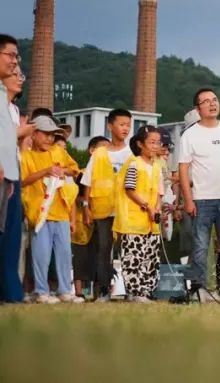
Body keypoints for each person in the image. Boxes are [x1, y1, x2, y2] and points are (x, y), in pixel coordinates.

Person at [178, 87, 220, 302]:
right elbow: (183, 169)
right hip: (202, 199)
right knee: (199, 247)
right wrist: (188, 200)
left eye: (215, 99)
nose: (212, 104)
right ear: (198, 108)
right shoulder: (190, 135)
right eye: (206, 101)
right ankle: (201, 289)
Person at [20, 116, 81, 303]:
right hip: (39, 214)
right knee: (41, 254)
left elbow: (74, 169)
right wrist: (45, 171)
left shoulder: (58, 152)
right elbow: (23, 180)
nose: (49, 139)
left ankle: (65, 290)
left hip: (61, 210)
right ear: (34, 134)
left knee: (63, 253)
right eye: (45, 134)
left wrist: (63, 171)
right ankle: (41, 291)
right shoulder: (27, 156)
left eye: (52, 135)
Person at [82, 108, 134, 301]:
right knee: (104, 250)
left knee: (128, 250)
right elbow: (87, 180)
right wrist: (86, 207)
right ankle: (103, 290)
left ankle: (132, 290)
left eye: (128, 125)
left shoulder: (132, 153)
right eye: (122, 124)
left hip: (126, 210)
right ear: (110, 126)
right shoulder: (99, 153)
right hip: (103, 210)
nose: (126, 128)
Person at [114, 126, 164, 303]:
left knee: (151, 256)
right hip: (134, 219)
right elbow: (130, 189)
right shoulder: (134, 163)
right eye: (151, 142)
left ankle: (147, 290)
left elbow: (159, 191)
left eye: (158, 142)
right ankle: (135, 291)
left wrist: (157, 207)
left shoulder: (157, 166)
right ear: (140, 144)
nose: (155, 146)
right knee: (134, 256)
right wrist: (147, 207)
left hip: (151, 222)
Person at [0, 37, 29, 304]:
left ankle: (11, 291)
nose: (15, 63)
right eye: (11, 56)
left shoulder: (12, 107)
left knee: (10, 236)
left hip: (11, 170)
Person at [73, 136, 107, 298]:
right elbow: (76, 197)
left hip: (102, 220)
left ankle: (99, 291)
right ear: (92, 150)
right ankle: (78, 291)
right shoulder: (82, 174)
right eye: (102, 148)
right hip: (83, 223)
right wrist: (87, 206)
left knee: (99, 255)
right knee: (80, 256)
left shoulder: (107, 175)